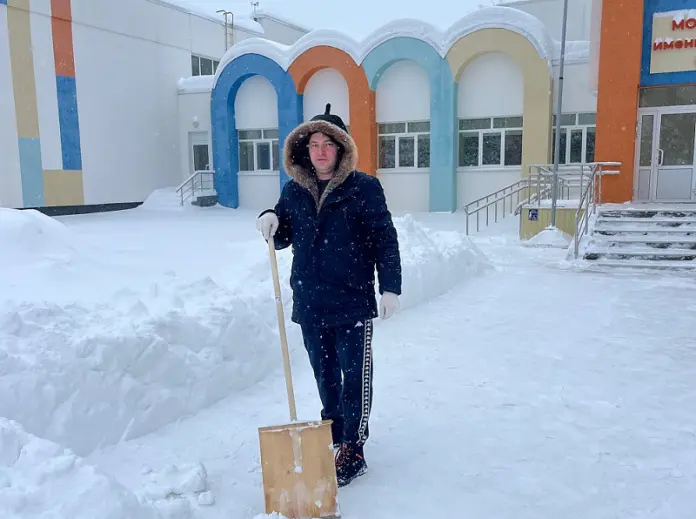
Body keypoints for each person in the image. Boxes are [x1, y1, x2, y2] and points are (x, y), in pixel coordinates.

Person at [255, 103, 402, 487]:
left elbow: (385, 240)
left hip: (352, 301)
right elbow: (284, 236)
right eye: (314, 144)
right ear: (306, 150)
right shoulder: (294, 189)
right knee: (325, 375)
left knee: (355, 377)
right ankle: (333, 430)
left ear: (341, 148)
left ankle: (354, 445)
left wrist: (390, 287)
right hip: (311, 302)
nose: (320, 151)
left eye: (327, 144)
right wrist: (270, 217)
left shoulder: (364, 188)